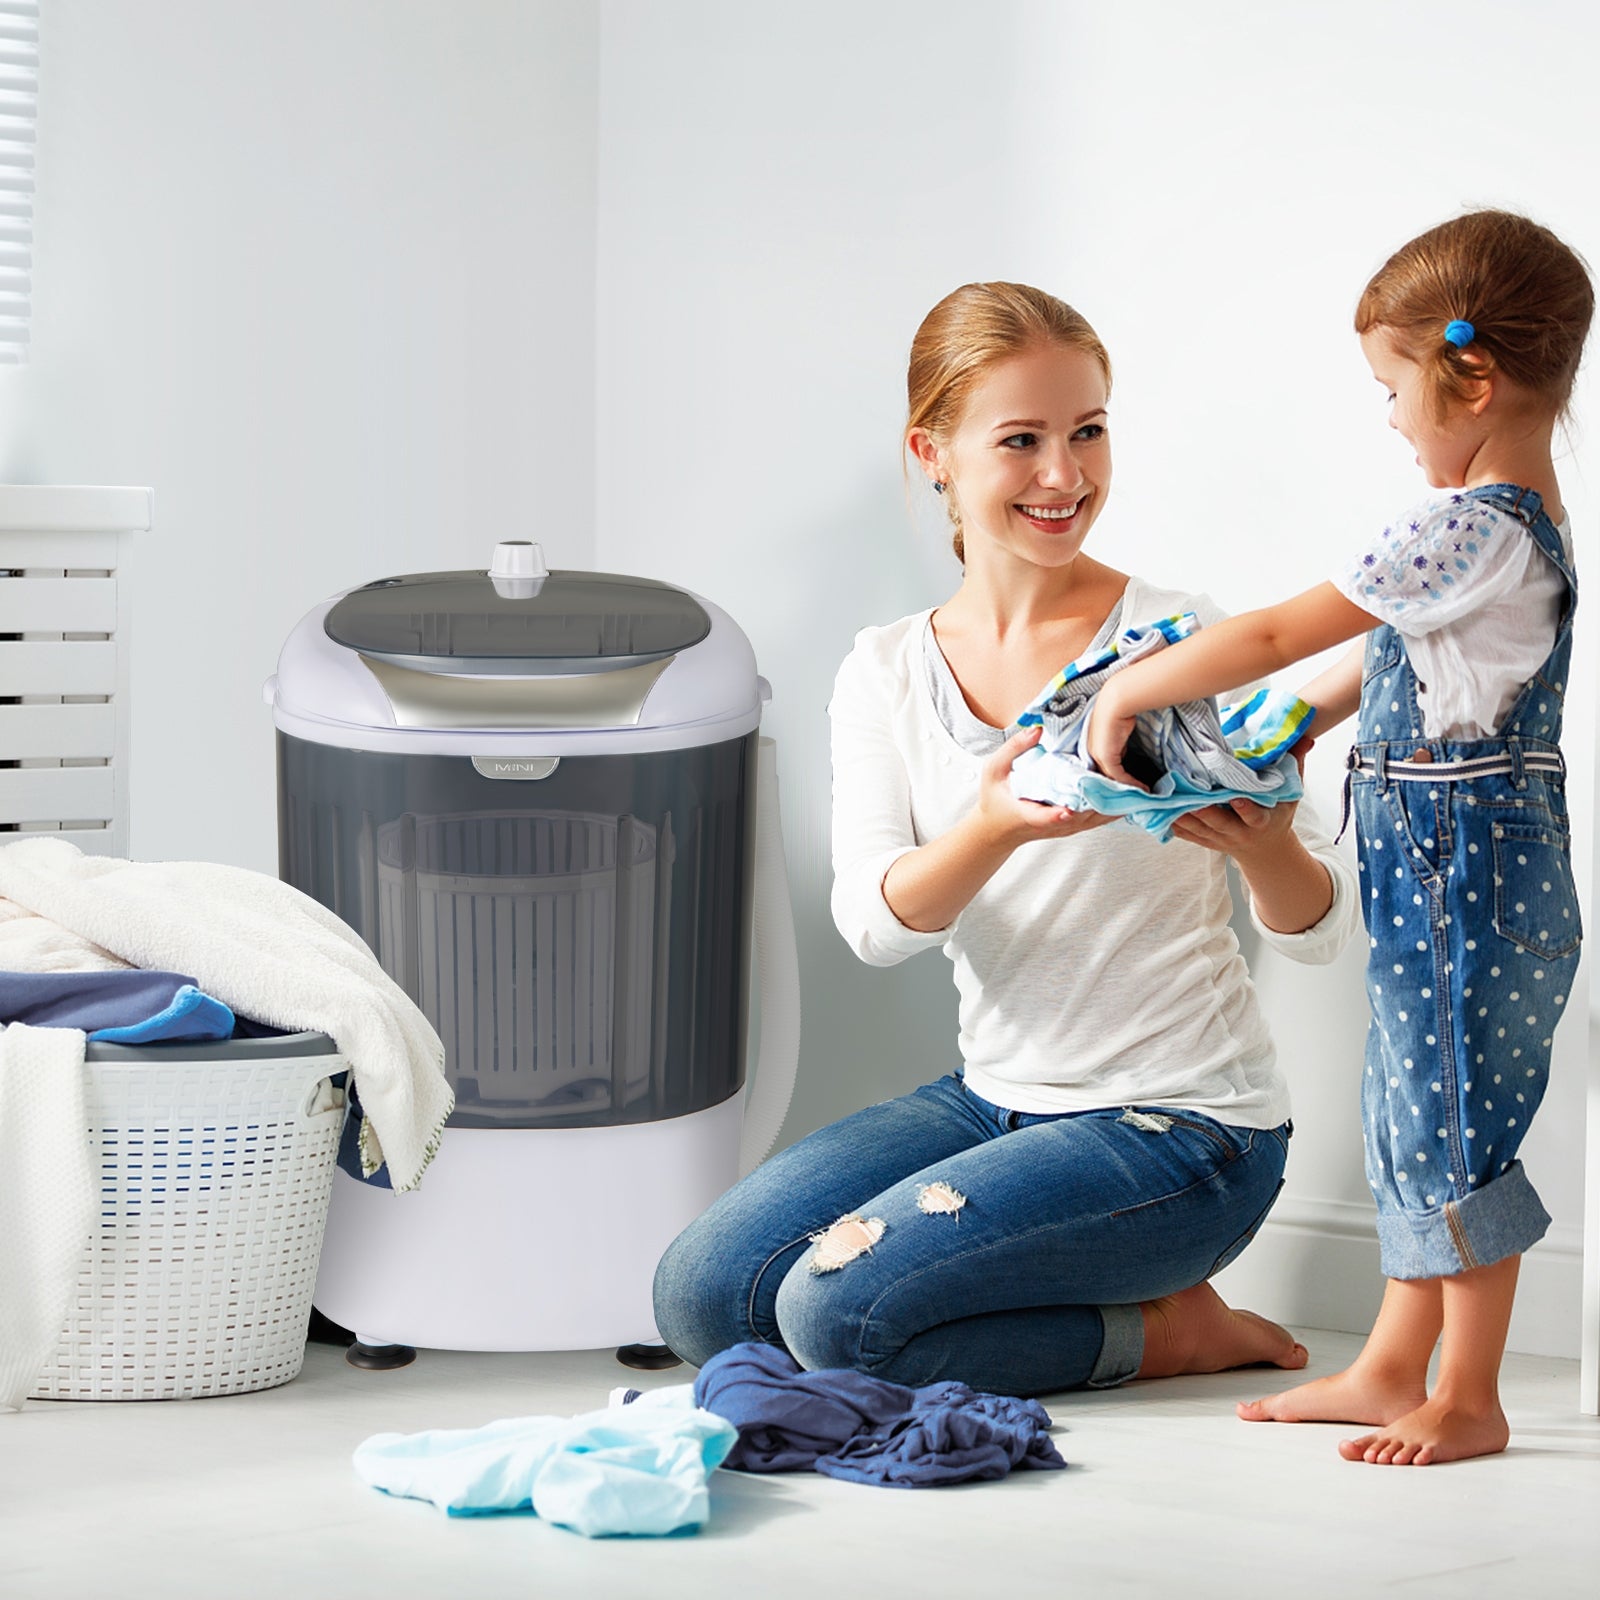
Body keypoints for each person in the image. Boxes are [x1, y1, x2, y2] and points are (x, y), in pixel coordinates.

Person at [652, 281, 1358, 1398]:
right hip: (992, 1099)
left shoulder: (1180, 640)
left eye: (1087, 432)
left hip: (1183, 1130)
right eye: (1020, 440)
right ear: (932, 451)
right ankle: (1103, 1308)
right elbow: (877, 925)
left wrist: (1262, 844)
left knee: (832, 1316)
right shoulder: (885, 667)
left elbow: (1318, 931)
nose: (1064, 476)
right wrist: (989, 825)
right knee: (702, 1297)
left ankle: (1172, 1330)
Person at [1085, 210, 1594, 1464]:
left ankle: (1467, 1394)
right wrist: (1304, 721)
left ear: (1467, 375)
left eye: (1390, 388)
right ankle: (1386, 1364)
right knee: (1409, 1108)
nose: (1387, 418)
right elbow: (1388, 664)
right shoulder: (1510, 526)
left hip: (1464, 863)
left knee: (1454, 1124)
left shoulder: (1467, 526)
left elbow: (1273, 631)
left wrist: (1128, 690)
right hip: (1447, 856)